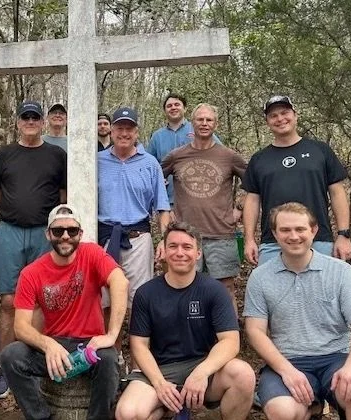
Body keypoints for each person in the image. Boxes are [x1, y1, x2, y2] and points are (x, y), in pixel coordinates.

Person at [243, 202, 351, 419]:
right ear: (274, 233)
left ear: (314, 230)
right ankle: (312, 407)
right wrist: (287, 371)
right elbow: (255, 331)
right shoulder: (260, 277)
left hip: (338, 356)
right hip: (289, 359)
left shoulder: (341, 272)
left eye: (300, 229)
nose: (293, 236)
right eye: (285, 230)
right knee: (282, 410)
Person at [0, 204, 129, 420]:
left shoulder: (92, 253)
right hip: (53, 343)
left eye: (72, 230)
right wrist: (48, 344)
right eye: (58, 231)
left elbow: (120, 282)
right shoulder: (31, 273)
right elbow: (20, 326)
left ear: (81, 233)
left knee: (108, 359)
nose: (65, 236)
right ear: (48, 234)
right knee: (11, 356)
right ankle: (41, 417)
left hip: (89, 344)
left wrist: (111, 335)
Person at [115, 221, 255, 420]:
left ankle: (188, 408)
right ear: (164, 250)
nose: (180, 252)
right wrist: (159, 384)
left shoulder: (214, 290)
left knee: (244, 375)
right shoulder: (146, 293)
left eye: (187, 247)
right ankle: (168, 407)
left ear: (198, 253)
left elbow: (230, 342)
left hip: (202, 365)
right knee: (127, 413)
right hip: (159, 369)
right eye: (173, 246)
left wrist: (201, 373)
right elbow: (139, 345)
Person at [0, 100, 67, 398]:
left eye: (35, 117)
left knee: (41, 300)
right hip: (9, 231)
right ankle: (6, 369)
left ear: (43, 122)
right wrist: (12, 212)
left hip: (42, 233)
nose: (31, 121)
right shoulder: (4, 154)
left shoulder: (56, 155)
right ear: (19, 122)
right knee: (9, 300)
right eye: (26, 117)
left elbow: (63, 194)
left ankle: (33, 365)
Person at [242, 95, 351, 266]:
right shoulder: (259, 159)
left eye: (284, 113)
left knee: (320, 292)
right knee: (272, 292)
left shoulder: (320, 151)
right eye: (273, 116)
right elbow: (252, 200)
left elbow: (337, 193)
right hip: (273, 243)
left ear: (295, 115)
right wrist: (249, 240)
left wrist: (343, 234)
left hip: (319, 240)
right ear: (267, 122)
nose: (280, 119)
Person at [161, 103, 247, 311]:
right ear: (193, 123)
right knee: (185, 286)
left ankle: (229, 335)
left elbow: (254, 183)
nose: (204, 123)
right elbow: (153, 183)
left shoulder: (228, 156)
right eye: (200, 119)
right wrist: (167, 209)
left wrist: (239, 208)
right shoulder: (176, 156)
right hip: (185, 235)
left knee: (225, 288)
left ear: (215, 124)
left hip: (221, 232)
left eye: (209, 120)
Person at [97, 107, 171, 327]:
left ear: (137, 132)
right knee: (105, 300)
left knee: (139, 299)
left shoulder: (150, 164)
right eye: (119, 128)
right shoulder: (96, 162)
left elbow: (162, 207)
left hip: (138, 238)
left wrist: (164, 241)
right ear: (111, 131)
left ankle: (137, 354)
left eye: (129, 128)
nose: (124, 133)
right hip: (104, 238)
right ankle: (112, 353)